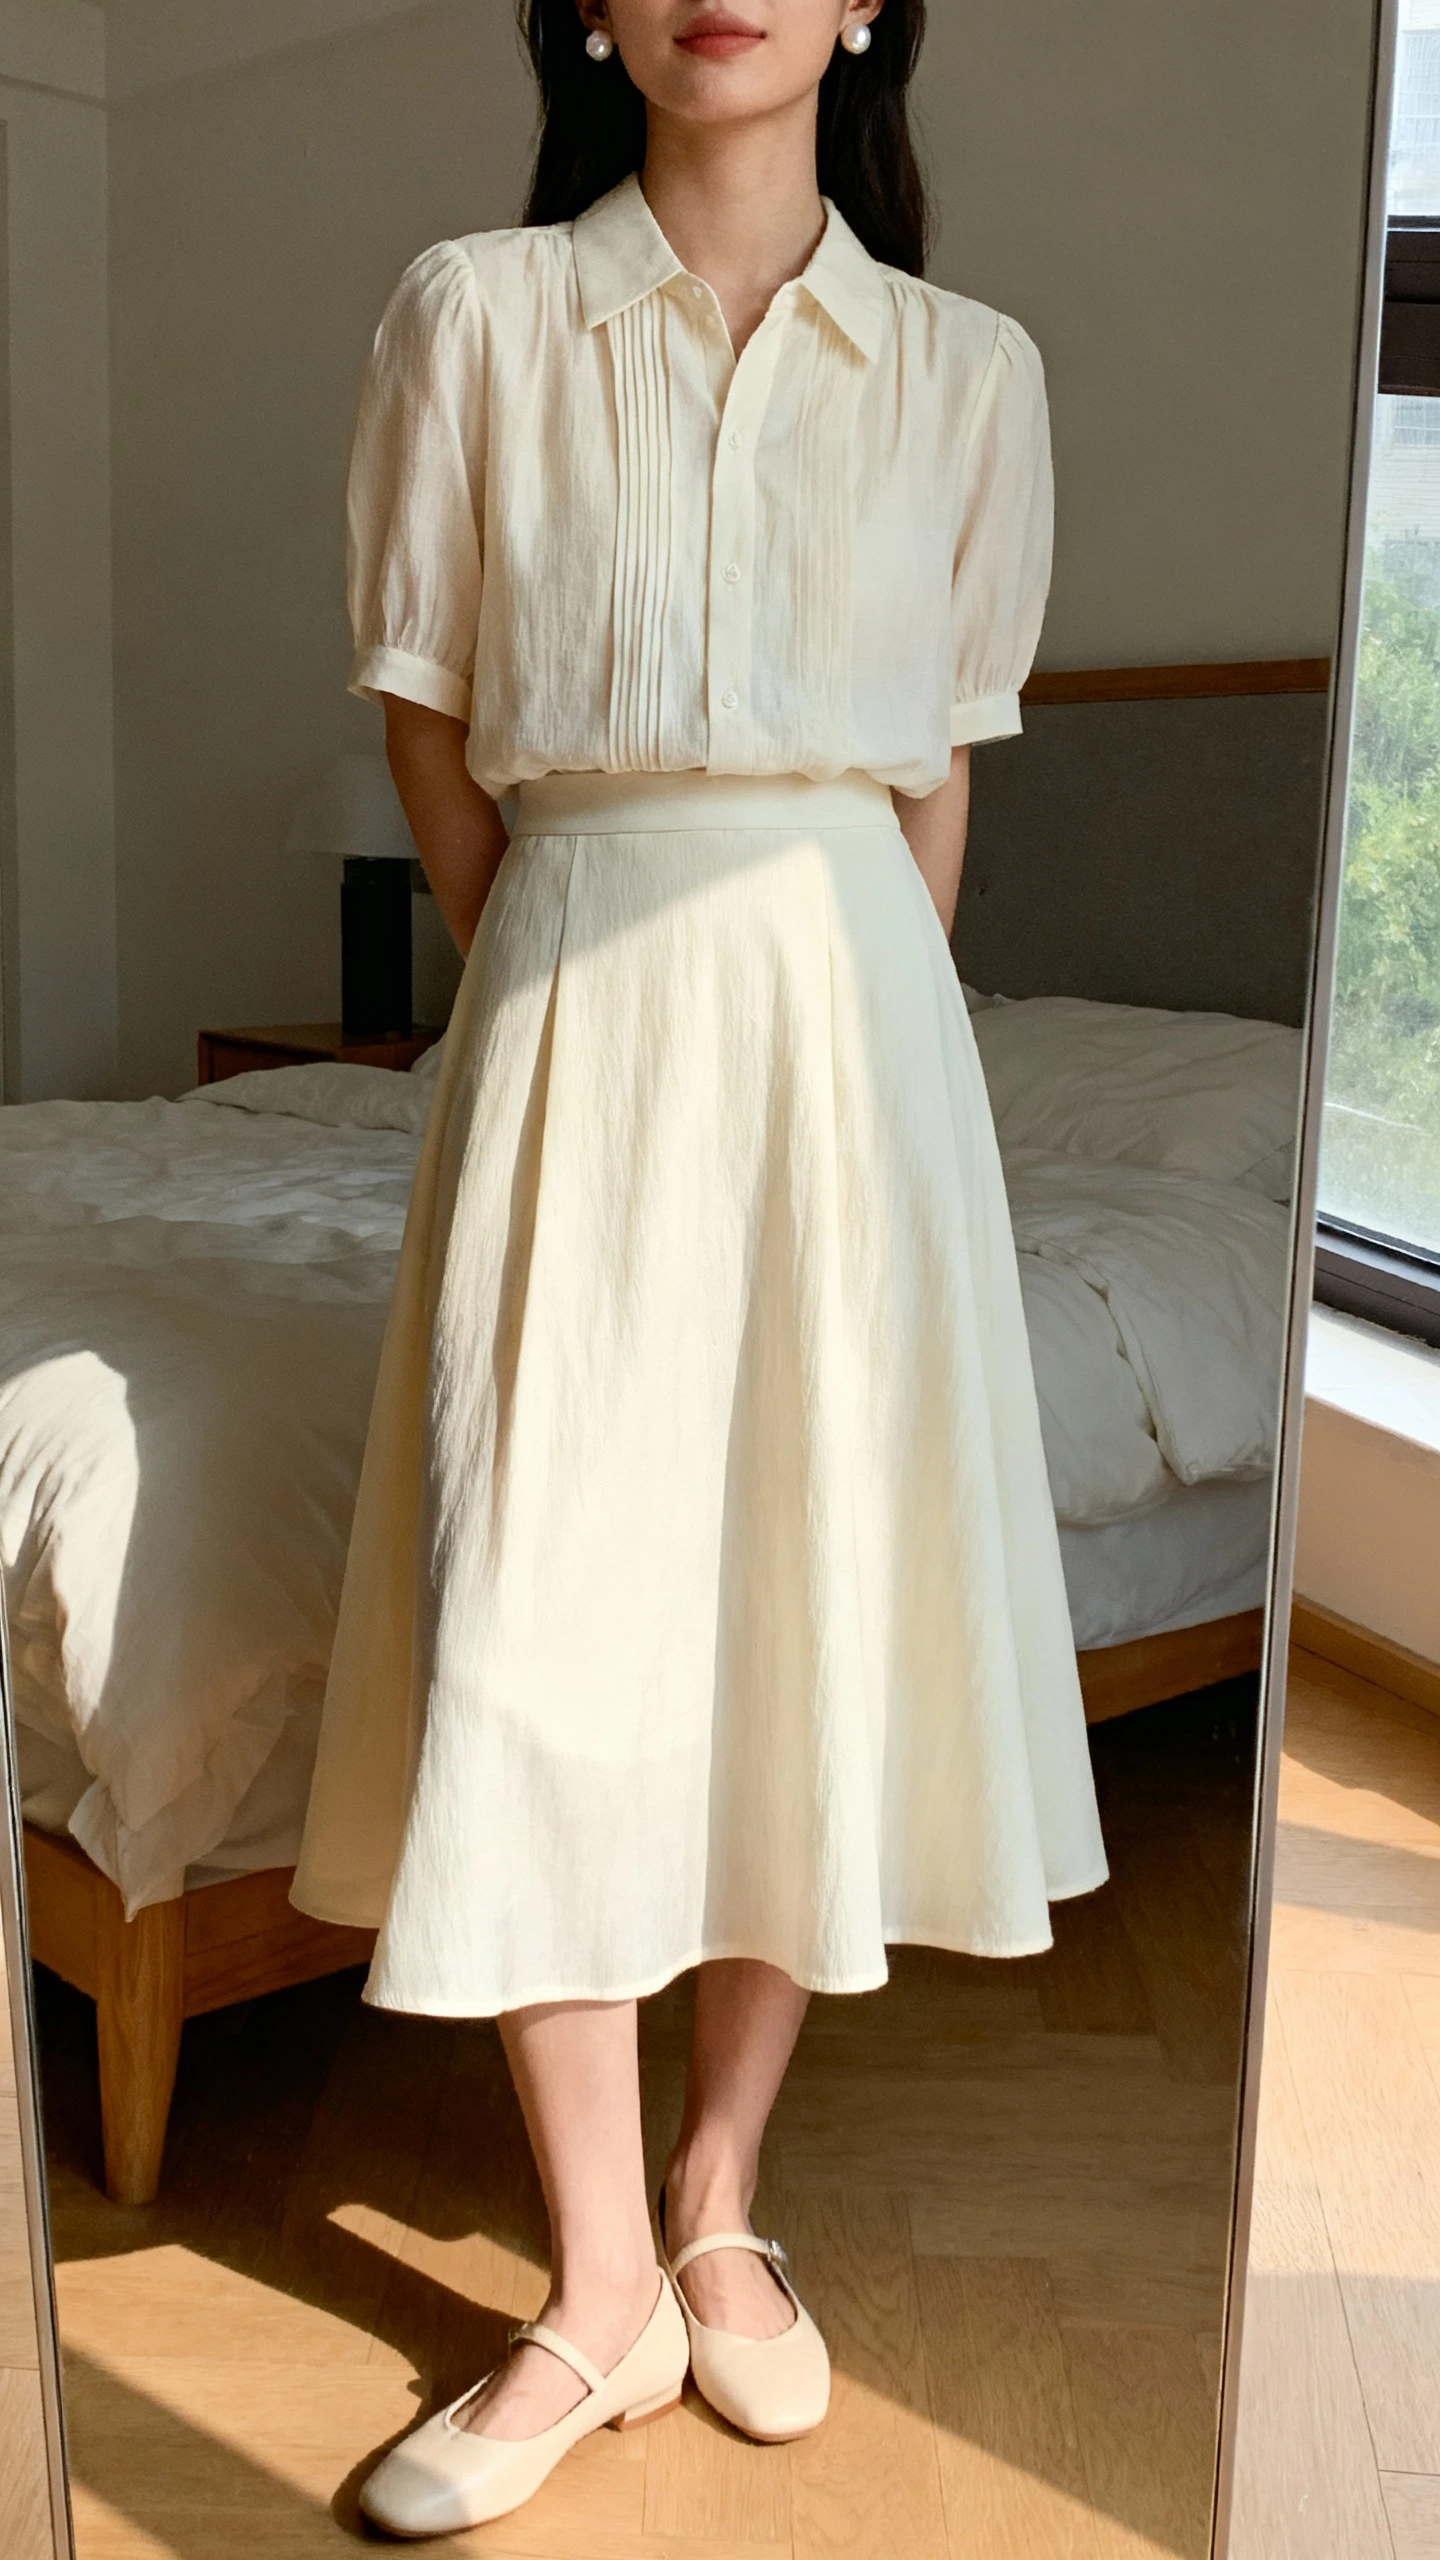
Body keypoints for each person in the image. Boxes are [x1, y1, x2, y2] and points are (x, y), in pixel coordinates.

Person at [290, 0, 1107, 2533]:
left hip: (854, 1013)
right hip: (578, 966)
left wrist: (891, 1064)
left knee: (789, 1598)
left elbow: (937, 759)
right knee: (543, 1600)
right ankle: (599, 2271)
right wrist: (536, 959)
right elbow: (431, 713)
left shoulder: (968, 368)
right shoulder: (479, 311)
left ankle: (722, 2200)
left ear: (869, 3)